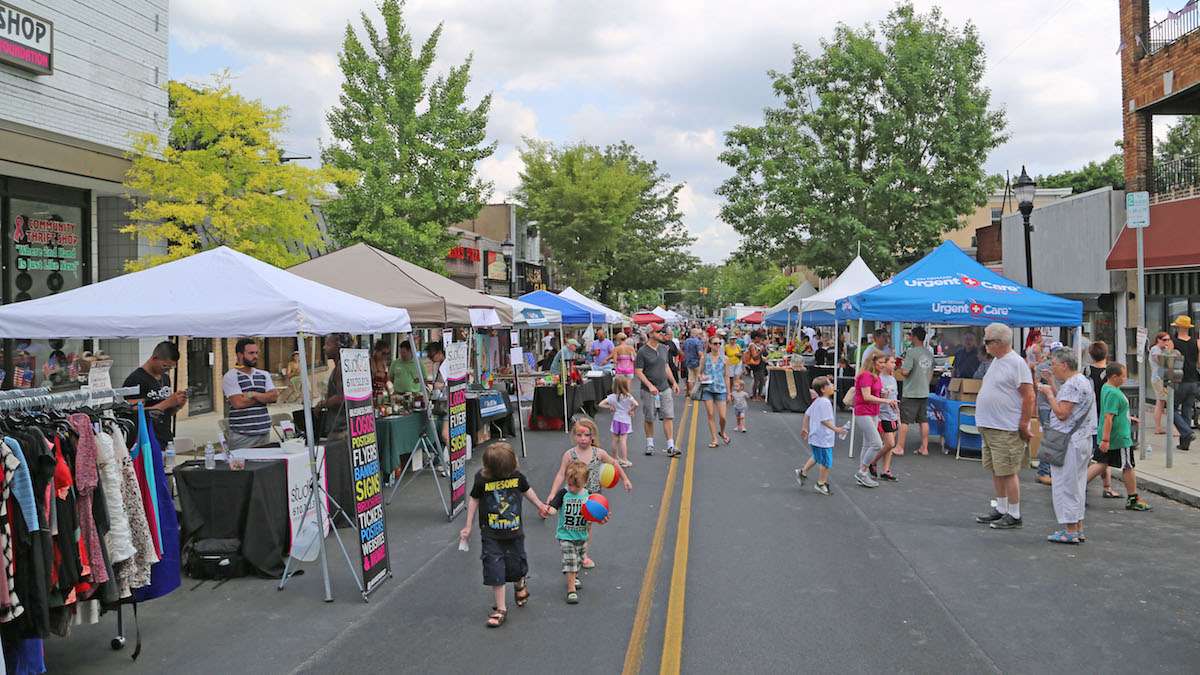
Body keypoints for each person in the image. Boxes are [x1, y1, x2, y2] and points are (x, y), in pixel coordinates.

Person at [459, 442, 550, 627]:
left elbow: (527, 491)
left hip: (514, 532)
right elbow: (474, 498)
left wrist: (540, 505)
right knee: (494, 569)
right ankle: (501, 608)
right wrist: (467, 525)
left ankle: (519, 583)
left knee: (516, 567)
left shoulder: (517, 477)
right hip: (491, 534)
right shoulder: (482, 479)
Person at [546, 418, 631, 570]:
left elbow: (615, 463)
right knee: (572, 525)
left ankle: (583, 554)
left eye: (586, 435)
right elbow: (560, 474)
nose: (583, 439)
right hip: (572, 497)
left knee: (586, 526)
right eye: (579, 435)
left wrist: (625, 479)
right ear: (574, 436)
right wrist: (553, 493)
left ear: (593, 436)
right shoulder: (569, 454)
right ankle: (570, 549)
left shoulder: (599, 453)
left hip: (591, 497)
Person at [974, 323, 1035, 531]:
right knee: (996, 469)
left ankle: (1014, 513)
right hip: (991, 424)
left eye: (987, 340)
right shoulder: (997, 361)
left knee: (1008, 470)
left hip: (1005, 426)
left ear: (999, 343)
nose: (985, 344)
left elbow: (1029, 395)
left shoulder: (1016, 363)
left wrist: (1024, 422)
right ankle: (1001, 507)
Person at [1038, 349, 1097, 544]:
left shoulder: (1073, 384)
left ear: (1064, 365)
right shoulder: (1082, 381)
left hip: (1069, 442)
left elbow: (1062, 412)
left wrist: (1048, 394)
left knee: (1066, 484)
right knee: (1078, 484)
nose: (1052, 368)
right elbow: (1069, 405)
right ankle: (1077, 527)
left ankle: (1070, 529)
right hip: (1081, 439)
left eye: (1054, 364)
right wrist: (1053, 387)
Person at [1087, 363, 1153, 512]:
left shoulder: (1107, 388)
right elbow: (1109, 416)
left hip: (1111, 435)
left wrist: (1127, 417)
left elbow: (1114, 412)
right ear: (1114, 377)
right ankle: (1133, 498)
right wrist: (1105, 440)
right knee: (1128, 466)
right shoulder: (1114, 393)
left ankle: (1076, 489)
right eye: (1123, 376)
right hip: (1119, 437)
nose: (1125, 378)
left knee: (1101, 463)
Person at [123, 340, 187, 443]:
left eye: (171, 367)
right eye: (165, 366)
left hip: (165, 437)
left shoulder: (165, 378)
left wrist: (177, 405)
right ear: (154, 358)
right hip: (146, 440)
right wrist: (168, 402)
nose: (167, 370)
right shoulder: (136, 380)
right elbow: (134, 413)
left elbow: (165, 413)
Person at [221, 338, 278, 450]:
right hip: (242, 435)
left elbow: (274, 396)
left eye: (256, 353)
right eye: (251, 353)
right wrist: (263, 397)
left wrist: (253, 394)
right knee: (242, 467)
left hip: (264, 432)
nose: (255, 356)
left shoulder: (263, 374)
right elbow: (238, 403)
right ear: (240, 355)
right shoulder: (231, 376)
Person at [547, 460, 591, 604]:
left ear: (585, 482)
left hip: (581, 535)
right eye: (569, 484)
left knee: (577, 560)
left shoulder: (588, 496)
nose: (571, 488)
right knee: (571, 560)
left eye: (575, 486)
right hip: (565, 535)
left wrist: (602, 517)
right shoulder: (564, 493)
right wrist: (550, 510)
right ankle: (571, 590)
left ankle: (574, 576)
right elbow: (554, 506)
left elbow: (596, 514)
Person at [635, 325, 681, 457]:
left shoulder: (663, 349)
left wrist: (673, 382)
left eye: (662, 331)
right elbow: (638, 371)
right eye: (658, 332)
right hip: (648, 390)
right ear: (650, 334)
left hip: (664, 387)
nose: (662, 333)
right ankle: (650, 444)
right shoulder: (642, 351)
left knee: (668, 416)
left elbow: (666, 366)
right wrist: (649, 385)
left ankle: (670, 446)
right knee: (649, 417)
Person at [852, 353, 896, 488]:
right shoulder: (866, 376)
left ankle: (862, 474)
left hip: (873, 412)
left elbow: (874, 395)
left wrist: (883, 395)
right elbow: (866, 396)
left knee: (867, 444)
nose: (883, 365)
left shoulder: (877, 377)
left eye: (884, 362)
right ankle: (862, 471)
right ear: (873, 362)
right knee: (876, 443)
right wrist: (886, 400)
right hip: (863, 412)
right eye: (881, 362)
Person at [797, 377, 845, 495]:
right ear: (823, 389)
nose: (833, 385)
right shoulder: (825, 402)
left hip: (816, 437)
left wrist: (804, 427)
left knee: (817, 457)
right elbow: (825, 421)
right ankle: (821, 483)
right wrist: (837, 429)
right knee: (826, 462)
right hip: (823, 438)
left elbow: (807, 414)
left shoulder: (818, 401)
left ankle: (802, 472)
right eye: (830, 384)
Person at [1082, 341, 1118, 498]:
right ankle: (1102, 486)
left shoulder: (1086, 370)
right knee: (1104, 453)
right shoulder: (1110, 373)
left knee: (1098, 453)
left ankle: (1107, 486)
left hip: (1089, 413)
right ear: (1107, 353)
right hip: (1105, 414)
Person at [897, 326, 934, 456]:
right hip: (924, 391)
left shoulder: (911, 353)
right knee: (923, 420)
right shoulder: (929, 353)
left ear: (915, 337)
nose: (909, 337)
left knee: (905, 421)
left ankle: (900, 447)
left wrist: (901, 368)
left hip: (911, 391)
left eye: (911, 335)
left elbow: (905, 372)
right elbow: (931, 373)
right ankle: (924, 448)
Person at [1170, 315, 1197, 451]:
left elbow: (1168, 362)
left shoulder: (1173, 342)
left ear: (1178, 327)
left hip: (1179, 380)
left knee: (1171, 408)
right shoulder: (1196, 342)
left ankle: (1187, 432)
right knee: (1186, 410)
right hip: (1193, 381)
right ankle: (1184, 443)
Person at [599, 376, 638, 468]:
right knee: (623, 440)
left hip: (616, 419)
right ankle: (624, 459)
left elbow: (600, 404)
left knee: (615, 440)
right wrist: (631, 410)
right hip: (625, 420)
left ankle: (614, 458)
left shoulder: (612, 397)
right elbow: (636, 404)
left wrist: (610, 407)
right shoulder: (628, 396)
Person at [871, 355, 900, 481]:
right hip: (882, 414)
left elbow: (895, 397)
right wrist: (883, 397)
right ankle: (872, 461)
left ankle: (886, 470)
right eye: (892, 362)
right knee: (889, 443)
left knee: (890, 445)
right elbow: (875, 396)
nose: (894, 364)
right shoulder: (878, 379)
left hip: (892, 414)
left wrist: (898, 415)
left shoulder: (892, 379)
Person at [699, 335, 730, 447]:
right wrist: (701, 377)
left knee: (723, 417)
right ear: (710, 345)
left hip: (721, 389)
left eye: (719, 344)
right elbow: (700, 372)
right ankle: (714, 439)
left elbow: (727, 376)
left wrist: (729, 393)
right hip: (708, 389)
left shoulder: (725, 359)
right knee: (711, 415)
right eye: (715, 343)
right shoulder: (705, 357)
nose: (718, 346)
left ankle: (722, 431)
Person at [1150, 332, 1171, 435]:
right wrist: (1168, 352)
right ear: (1158, 340)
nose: (1166, 342)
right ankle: (1158, 427)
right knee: (1161, 401)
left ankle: (1159, 427)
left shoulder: (1164, 350)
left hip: (1163, 378)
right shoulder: (1155, 349)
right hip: (1158, 378)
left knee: (1161, 402)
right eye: (1164, 340)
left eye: (1168, 340)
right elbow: (1160, 361)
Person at [745, 331, 768, 401]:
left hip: (760, 364)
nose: (761, 339)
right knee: (757, 380)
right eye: (760, 338)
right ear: (756, 337)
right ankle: (755, 396)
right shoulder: (752, 345)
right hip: (756, 365)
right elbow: (755, 356)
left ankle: (759, 395)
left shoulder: (756, 344)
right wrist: (761, 350)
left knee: (761, 380)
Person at [682, 328, 704, 398]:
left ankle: (690, 392)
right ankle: (696, 393)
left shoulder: (686, 341)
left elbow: (682, 350)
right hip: (697, 362)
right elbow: (700, 353)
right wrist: (702, 359)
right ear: (696, 334)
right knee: (698, 378)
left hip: (688, 362)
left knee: (690, 379)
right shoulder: (698, 341)